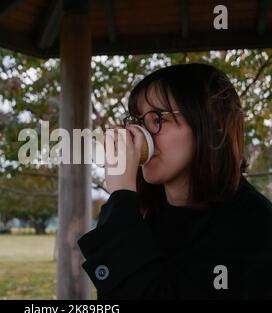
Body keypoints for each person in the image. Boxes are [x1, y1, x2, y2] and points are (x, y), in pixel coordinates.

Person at [77, 63, 272, 299]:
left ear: (214, 128)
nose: (139, 136)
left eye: (157, 119)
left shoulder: (253, 227)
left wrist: (121, 195)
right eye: (137, 121)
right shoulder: (151, 212)